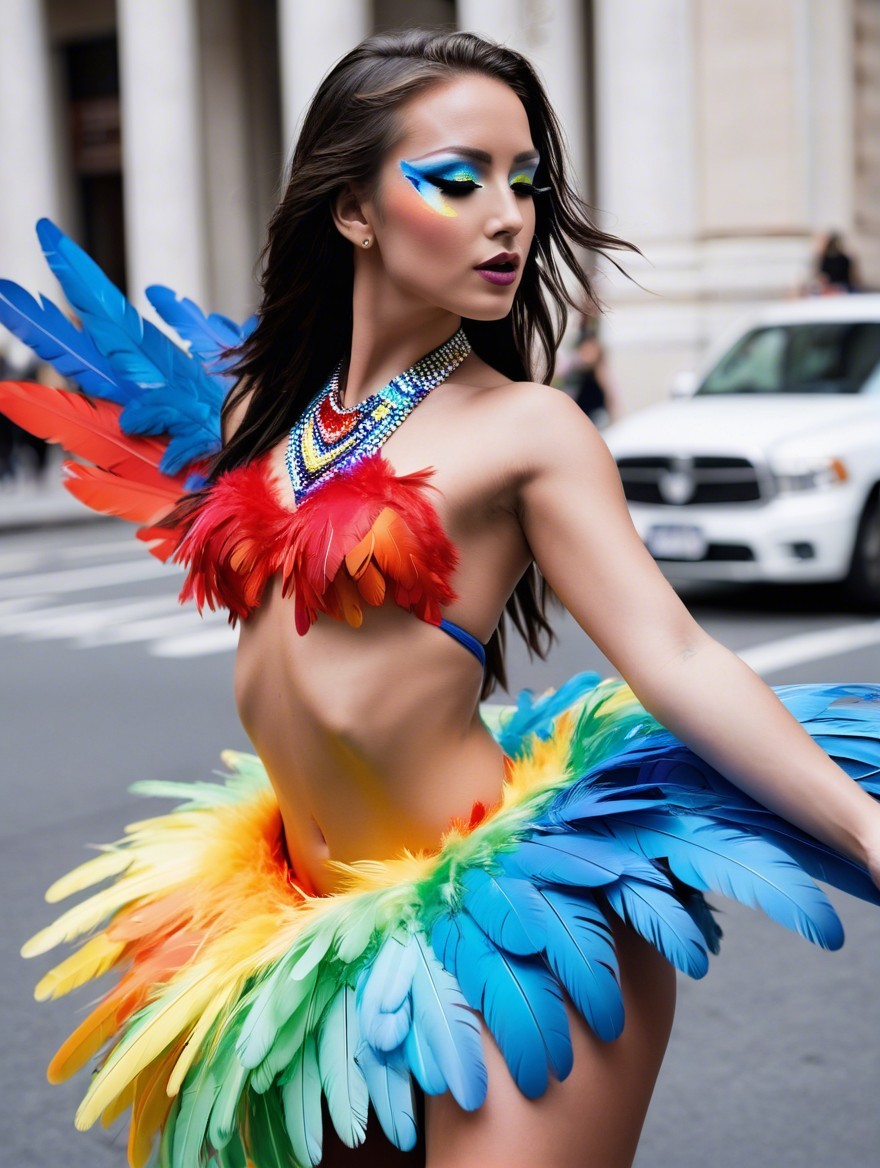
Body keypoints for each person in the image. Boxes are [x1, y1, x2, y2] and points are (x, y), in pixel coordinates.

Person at [3, 29, 880, 1168]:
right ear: (353, 210)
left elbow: (673, 651)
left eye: (525, 184)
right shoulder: (260, 421)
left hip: (513, 946)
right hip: (315, 961)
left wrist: (862, 823)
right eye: (457, 180)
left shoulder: (527, 428)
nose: (507, 216)